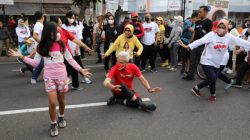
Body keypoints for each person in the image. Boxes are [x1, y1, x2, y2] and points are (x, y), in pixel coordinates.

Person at [8, 22, 92, 137]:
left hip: (62, 76)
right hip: (49, 78)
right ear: (48, 32)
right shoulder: (41, 46)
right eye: (55, 31)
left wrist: (81, 70)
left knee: (61, 100)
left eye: (58, 31)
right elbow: (36, 63)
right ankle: (53, 124)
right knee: (52, 102)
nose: (58, 33)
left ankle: (61, 117)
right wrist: (22, 56)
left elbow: (70, 59)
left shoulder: (61, 44)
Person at [179, 19, 250, 102]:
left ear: (227, 28)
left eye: (223, 27)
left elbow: (241, 42)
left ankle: (211, 94)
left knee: (212, 79)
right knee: (212, 78)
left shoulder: (229, 37)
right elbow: (200, 41)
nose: (221, 29)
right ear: (217, 27)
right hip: (207, 60)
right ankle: (197, 88)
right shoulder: (211, 35)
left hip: (217, 62)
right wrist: (187, 46)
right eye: (219, 26)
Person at [62, 11, 93, 88]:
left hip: (75, 50)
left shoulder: (77, 27)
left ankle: (84, 78)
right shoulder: (63, 27)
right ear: (67, 18)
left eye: (74, 18)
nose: (72, 19)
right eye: (71, 18)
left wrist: (77, 48)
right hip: (65, 51)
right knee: (67, 66)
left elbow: (79, 39)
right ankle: (68, 80)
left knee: (78, 65)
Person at [182, 6, 212, 80]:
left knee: (198, 61)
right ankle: (190, 76)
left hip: (202, 45)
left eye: (200, 12)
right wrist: (190, 43)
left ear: (205, 12)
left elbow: (209, 35)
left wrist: (202, 30)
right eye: (198, 11)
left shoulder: (209, 22)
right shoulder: (198, 22)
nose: (199, 13)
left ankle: (209, 77)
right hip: (195, 44)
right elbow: (194, 33)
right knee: (192, 60)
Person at [30, 11, 45, 84]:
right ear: (42, 16)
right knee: (41, 63)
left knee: (38, 63)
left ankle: (43, 76)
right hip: (41, 47)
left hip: (40, 46)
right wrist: (42, 43)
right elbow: (35, 36)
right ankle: (33, 77)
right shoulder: (39, 25)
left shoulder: (39, 24)